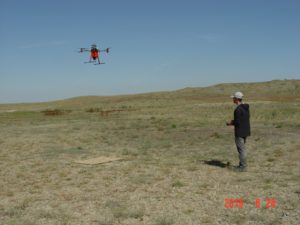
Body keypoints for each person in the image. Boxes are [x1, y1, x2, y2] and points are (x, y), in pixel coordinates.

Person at [226, 91, 251, 172]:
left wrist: (230, 123)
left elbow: (237, 122)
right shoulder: (246, 107)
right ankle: (242, 165)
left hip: (240, 132)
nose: (232, 99)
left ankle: (243, 167)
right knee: (242, 149)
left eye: (233, 98)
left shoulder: (237, 109)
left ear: (236, 99)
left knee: (241, 150)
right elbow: (243, 119)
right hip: (246, 131)